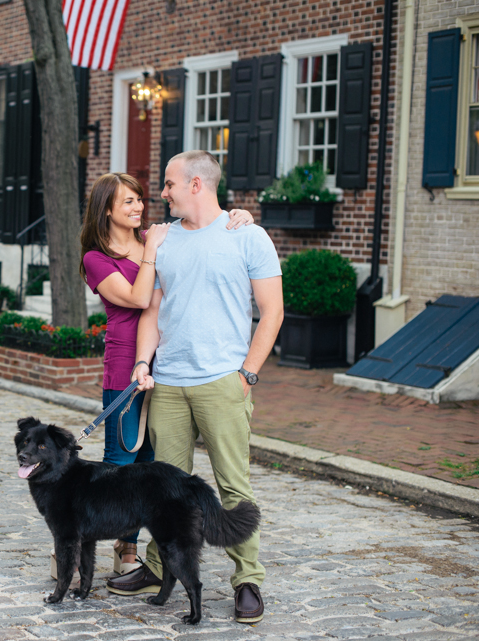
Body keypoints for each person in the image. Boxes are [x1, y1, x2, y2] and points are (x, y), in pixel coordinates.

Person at [104, 151, 283, 625]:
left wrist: (247, 373)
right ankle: (159, 568)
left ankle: (248, 580)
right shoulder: (161, 241)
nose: (161, 193)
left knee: (232, 486)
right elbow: (152, 313)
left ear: (197, 184)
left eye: (168, 184)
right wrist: (143, 363)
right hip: (168, 385)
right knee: (165, 489)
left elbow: (273, 311)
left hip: (223, 383)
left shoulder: (248, 236)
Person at [79, 172, 255, 578]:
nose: (140, 207)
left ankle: (133, 546)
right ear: (107, 209)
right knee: (119, 463)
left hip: (169, 365)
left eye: (140, 199)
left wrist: (238, 217)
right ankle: (81, 547)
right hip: (126, 368)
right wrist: (153, 248)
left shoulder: (151, 240)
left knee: (154, 462)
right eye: (128, 202)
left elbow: (200, 234)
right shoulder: (97, 257)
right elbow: (141, 299)